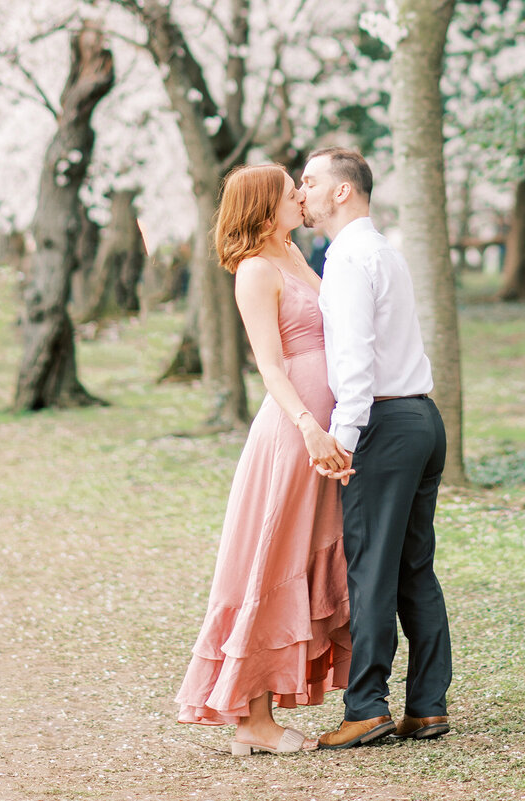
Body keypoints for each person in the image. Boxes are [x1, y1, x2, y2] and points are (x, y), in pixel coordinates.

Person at [175, 165, 352, 756]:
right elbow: (270, 366)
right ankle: (253, 719)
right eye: (289, 192)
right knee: (273, 558)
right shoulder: (255, 270)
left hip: (330, 427)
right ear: (263, 207)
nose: (301, 196)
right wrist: (308, 427)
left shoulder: (301, 256)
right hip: (294, 431)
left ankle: (266, 708)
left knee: (307, 553)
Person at [300, 147, 453, 751]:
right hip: (421, 417)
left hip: (383, 426)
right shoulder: (384, 250)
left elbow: (356, 360)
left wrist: (343, 437)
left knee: (370, 568)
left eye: (309, 183)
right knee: (415, 566)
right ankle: (427, 706)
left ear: (343, 192)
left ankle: (366, 707)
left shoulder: (346, 260)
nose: (301, 192)